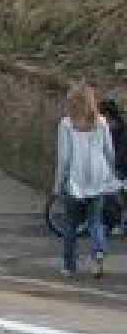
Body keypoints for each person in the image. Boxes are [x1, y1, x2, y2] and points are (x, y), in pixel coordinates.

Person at [55, 83, 119, 277]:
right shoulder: (100, 122)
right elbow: (109, 151)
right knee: (95, 221)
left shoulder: (66, 124)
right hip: (97, 176)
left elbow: (64, 157)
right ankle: (97, 253)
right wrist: (110, 170)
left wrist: (58, 183)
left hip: (75, 176)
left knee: (71, 223)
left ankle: (69, 266)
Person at [100, 98, 125, 236]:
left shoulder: (114, 127)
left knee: (108, 193)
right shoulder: (115, 125)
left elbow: (112, 150)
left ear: (107, 114)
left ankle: (115, 223)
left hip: (119, 166)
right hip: (116, 164)